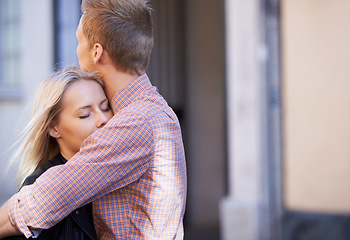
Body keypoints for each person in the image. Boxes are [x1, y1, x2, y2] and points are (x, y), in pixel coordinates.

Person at [0, 0, 187, 239]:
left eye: (79, 42)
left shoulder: (135, 123)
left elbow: (48, 198)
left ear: (96, 51)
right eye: (86, 113)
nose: (76, 50)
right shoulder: (154, 111)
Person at [2, 66, 113, 240]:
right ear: (53, 128)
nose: (104, 119)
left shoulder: (122, 167)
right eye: (85, 115)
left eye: (105, 107)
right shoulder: (37, 189)